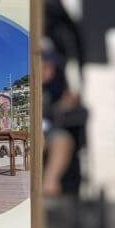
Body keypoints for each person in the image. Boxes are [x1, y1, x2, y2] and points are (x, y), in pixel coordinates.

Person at [42, 38, 87, 197]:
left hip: (52, 130)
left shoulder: (57, 84)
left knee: (63, 141)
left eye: (50, 64)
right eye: (44, 65)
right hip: (30, 134)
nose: (49, 69)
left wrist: (67, 104)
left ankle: (50, 181)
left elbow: (62, 107)